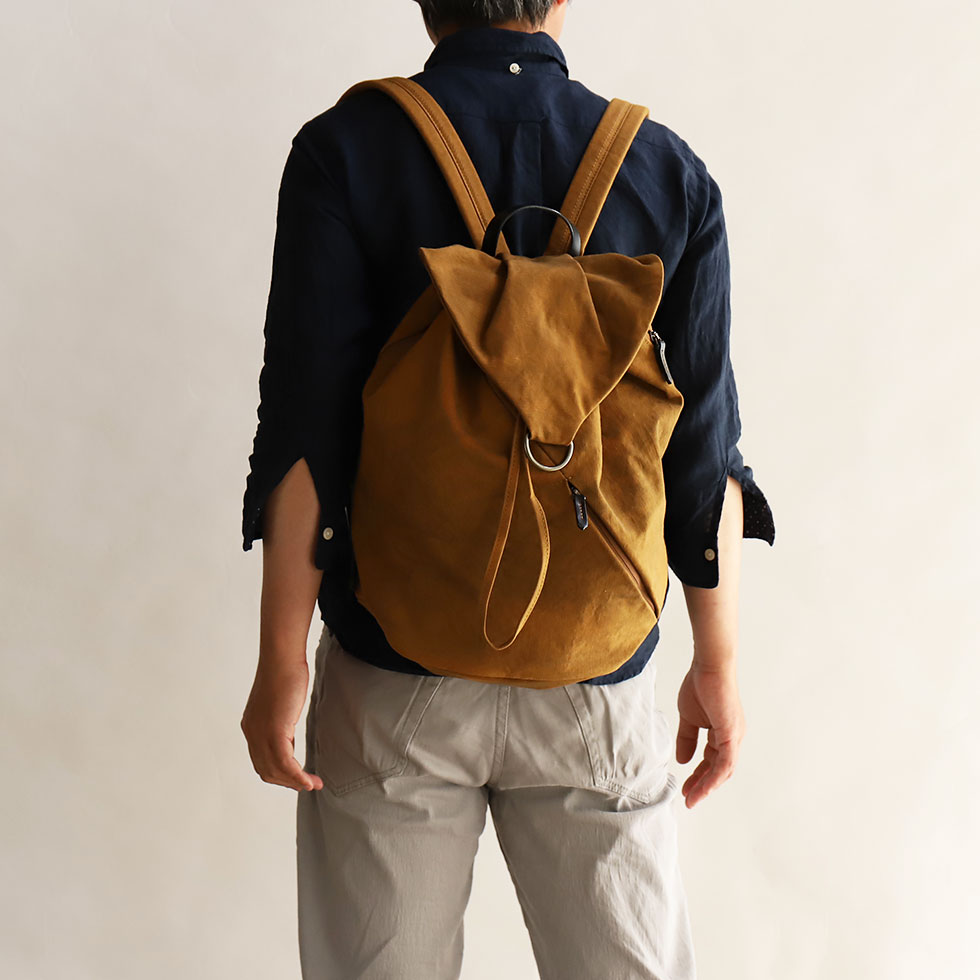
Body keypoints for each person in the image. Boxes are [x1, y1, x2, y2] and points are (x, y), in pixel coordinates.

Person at [239, 2, 775, 976]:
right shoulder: (664, 170)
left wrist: (281, 657)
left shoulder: (346, 151)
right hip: (596, 670)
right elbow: (703, 453)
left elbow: (304, 435)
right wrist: (718, 660)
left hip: (392, 664)